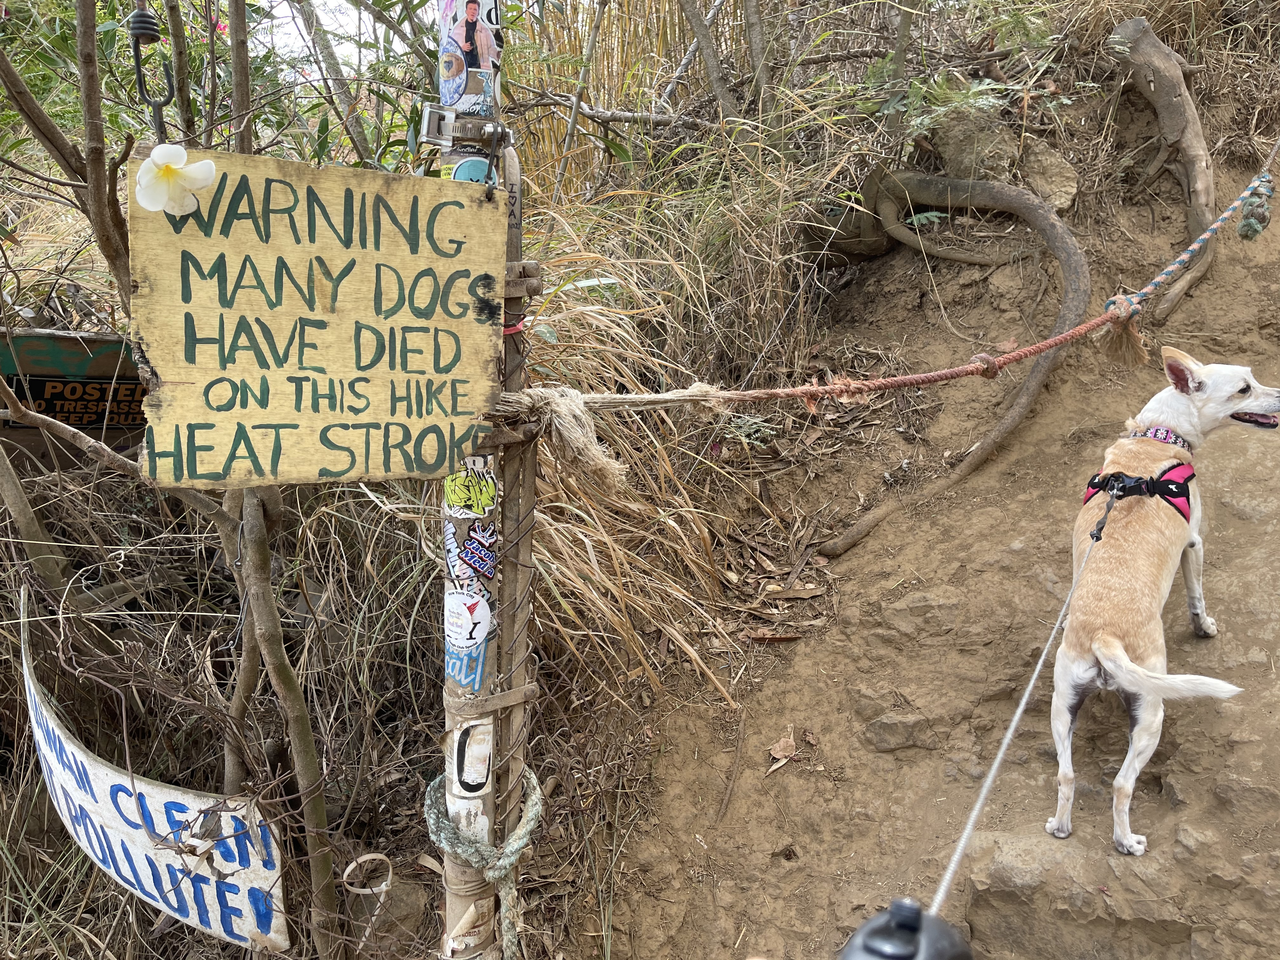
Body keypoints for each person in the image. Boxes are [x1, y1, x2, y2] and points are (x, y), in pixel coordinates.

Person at [451, 0, 498, 71]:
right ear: (466, 11)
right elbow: (449, 49)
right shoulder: (457, 29)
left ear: (478, 12)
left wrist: (500, 56)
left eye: (475, 9)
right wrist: (461, 48)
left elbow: (491, 49)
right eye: (470, 9)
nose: (472, 11)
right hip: (462, 70)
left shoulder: (484, 30)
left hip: (480, 70)